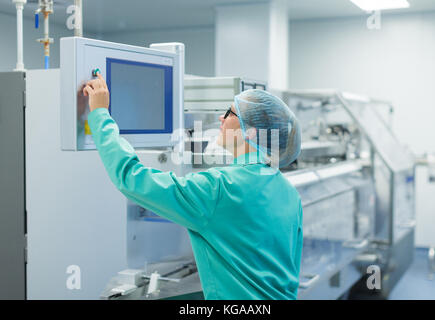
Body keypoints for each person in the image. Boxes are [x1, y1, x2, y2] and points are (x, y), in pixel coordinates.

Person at [83, 73, 303, 300]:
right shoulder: (288, 192)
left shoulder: (220, 188)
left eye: (229, 112)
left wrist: (100, 114)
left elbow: (132, 178)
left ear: (250, 131)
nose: (221, 117)